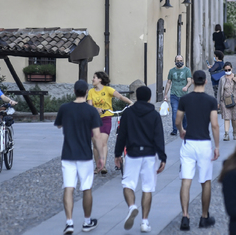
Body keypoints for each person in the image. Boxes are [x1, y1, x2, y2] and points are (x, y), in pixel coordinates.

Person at [114, 86, 167, 233]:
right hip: (150, 155)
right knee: (147, 188)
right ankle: (144, 222)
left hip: (132, 153)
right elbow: (159, 137)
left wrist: (117, 153)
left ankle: (132, 207)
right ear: (150, 98)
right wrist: (162, 157)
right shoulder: (154, 115)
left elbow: (122, 135)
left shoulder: (128, 113)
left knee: (128, 184)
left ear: (136, 97)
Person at [55, 80, 104, 234]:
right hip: (85, 155)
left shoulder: (65, 108)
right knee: (86, 188)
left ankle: (69, 223)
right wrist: (101, 157)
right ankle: (87, 221)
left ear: (74, 91)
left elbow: (59, 125)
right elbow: (96, 136)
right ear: (87, 91)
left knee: (68, 188)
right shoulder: (91, 111)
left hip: (68, 153)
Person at [175, 70, 220, 230]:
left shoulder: (185, 99)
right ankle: (204, 216)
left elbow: (178, 120)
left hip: (189, 143)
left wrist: (181, 130)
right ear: (206, 81)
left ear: (193, 81)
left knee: (186, 180)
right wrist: (217, 146)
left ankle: (185, 217)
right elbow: (214, 125)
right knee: (205, 181)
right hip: (204, 144)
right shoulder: (211, 101)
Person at [87, 71, 133, 175]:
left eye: (94, 77)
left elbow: (120, 97)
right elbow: (89, 106)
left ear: (100, 79)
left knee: (103, 143)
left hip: (106, 118)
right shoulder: (91, 92)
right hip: (94, 120)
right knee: (95, 144)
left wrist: (131, 103)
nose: (92, 79)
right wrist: (96, 109)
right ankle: (97, 165)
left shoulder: (108, 90)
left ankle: (102, 166)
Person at [163, 55, 192, 136]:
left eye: (181, 60)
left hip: (184, 95)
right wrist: (165, 94)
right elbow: (169, 82)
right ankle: (175, 129)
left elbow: (189, 80)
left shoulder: (187, 70)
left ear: (183, 61)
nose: (179, 62)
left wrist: (186, 86)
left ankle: (185, 128)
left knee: (185, 113)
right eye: (178, 61)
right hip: (174, 94)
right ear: (175, 61)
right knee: (175, 112)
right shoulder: (171, 71)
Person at [217, 62, 236, 141]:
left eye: (229, 69)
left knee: (234, 118)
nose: (227, 71)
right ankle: (226, 134)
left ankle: (234, 132)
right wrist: (218, 102)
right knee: (226, 117)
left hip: (235, 100)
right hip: (225, 100)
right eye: (226, 70)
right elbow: (219, 91)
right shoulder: (222, 79)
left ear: (232, 69)